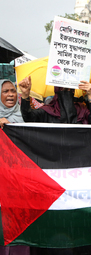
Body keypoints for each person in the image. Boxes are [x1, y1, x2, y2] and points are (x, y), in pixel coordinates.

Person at [0, 79, 30, 254]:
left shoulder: (23, 115)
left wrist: (25, 95)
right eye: (5, 91)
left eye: (12, 91)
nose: (10, 94)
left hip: (19, 182)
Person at [18, 76, 91, 124]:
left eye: (71, 90)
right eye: (64, 89)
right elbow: (28, 118)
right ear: (57, 91)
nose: (68, 93)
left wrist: (90, 94)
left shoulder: (81, 109)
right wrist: (25, 94)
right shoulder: (47, 111)